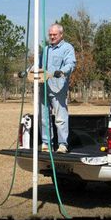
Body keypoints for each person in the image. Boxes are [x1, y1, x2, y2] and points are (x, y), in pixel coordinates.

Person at [39, 23, 76, 153]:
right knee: (44, 117)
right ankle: (46, 143)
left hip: (58, 88)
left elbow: (71, 64)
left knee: (60, 118)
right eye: (50, 35)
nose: (52, 37)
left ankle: (62, 145)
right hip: (44, 87)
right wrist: (27, 71)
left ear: (61, 34)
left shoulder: (67, 48)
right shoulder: (46, 49)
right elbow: (39, 64)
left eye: (54, 34)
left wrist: (61, 72)